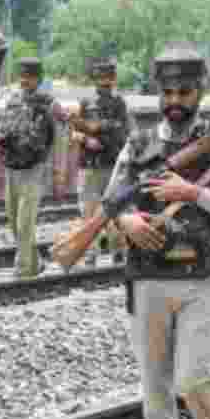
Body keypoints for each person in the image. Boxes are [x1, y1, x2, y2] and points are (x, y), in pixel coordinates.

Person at [105, 43, 210, 419]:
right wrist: (126, 221)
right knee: (154, 382)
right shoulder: (138, 145)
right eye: (167, 93)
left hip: (200, 280)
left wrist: (194, 192)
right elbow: (110, 201)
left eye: (184, 93)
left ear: (200, 91)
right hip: (147, 279)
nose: (174, 102)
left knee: (191, 378)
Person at [0, 57, 71, 278]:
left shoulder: (50, 103)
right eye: (22, 76)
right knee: (14, 220)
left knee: (25, 221)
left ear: (38, 78)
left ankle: (23, 269)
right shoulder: (13, 100)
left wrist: (59, 171)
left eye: (30, 76)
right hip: (12, 167)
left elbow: (62, 135)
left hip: (34, 168)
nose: (25, 80)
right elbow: (3, 125)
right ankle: (34, 263)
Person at [71, 55, 133, 268]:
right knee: (88, 212)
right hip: (89, 164)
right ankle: (91, 253)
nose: (104, 83)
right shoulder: (85, 103)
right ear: (95, 79)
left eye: (108, 78)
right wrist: (86, 139)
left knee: (115, 210)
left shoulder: (119, 104)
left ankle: (119, 249)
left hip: (112, 164)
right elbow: (74, 134)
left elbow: (126, 134)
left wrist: (105, 135)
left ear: (113, 79)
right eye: (100, 78)